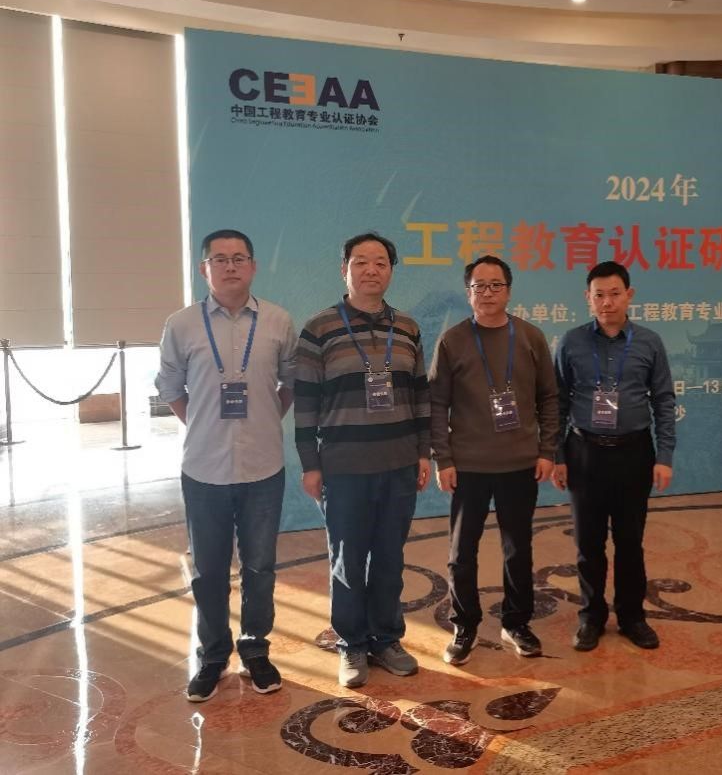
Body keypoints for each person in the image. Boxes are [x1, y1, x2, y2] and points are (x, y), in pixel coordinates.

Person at [155, 229, 298, 703]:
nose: (230, 266)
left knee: (259, 566)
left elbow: (290, 384)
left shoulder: (278, 321)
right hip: (204, 469)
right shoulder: (181, 324)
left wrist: (262, 421)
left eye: (239, 258)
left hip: (263, 467)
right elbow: (170, 389)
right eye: (220, 259)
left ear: (253, 266)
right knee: (209, 570)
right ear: (205, 269)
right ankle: (214, 655)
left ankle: (255, 649)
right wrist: (203, 425)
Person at [294, 232, 431, 688]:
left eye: (380, 262)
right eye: (360, 261)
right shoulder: (319, 328)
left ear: (391, 271)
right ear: (344, 269)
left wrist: (423, 452)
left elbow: (420, 396)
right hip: (345, 466)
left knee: (390, 557)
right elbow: (306, 402)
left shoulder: (408, 328)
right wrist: (310, 464)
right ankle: (351, 643)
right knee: (347, 561)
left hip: (399, 463)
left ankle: (386, 639)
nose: (371, 269)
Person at [429, 255, 559, 666]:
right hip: (468, 466)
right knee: (461, 553)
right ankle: (464, 625)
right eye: (479, 286)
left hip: (520, 463)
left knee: (517, 549)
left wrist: (547, 450)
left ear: (509, 290)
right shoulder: (452, 341)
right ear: (468, 292)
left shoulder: (531, 337)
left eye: (495, 285)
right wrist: (443, 459)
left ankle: (516, 622)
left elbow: (549, 398)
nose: (487, 293)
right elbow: (437, 405)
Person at [552, 261, 676, 652]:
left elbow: (664, 401)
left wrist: (665, 455)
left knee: (629, 542)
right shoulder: (571, 342)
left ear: (629, 295)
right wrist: (557, 454)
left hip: (634, 454)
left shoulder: (649, 342)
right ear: (588, 298)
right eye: (599, 295)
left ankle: (632, 617)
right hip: (584, 453)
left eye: (615, 294)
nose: (607, 302)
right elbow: (557, 402)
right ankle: (591, 617)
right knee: (588, 545)